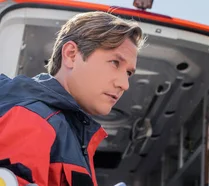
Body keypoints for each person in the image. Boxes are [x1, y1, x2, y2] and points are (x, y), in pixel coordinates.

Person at [0, 11, 144, 186]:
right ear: (71, 54)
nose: (124, 84)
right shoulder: (33, 118)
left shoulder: (70, 131)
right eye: (115, 63)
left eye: (128, 73)